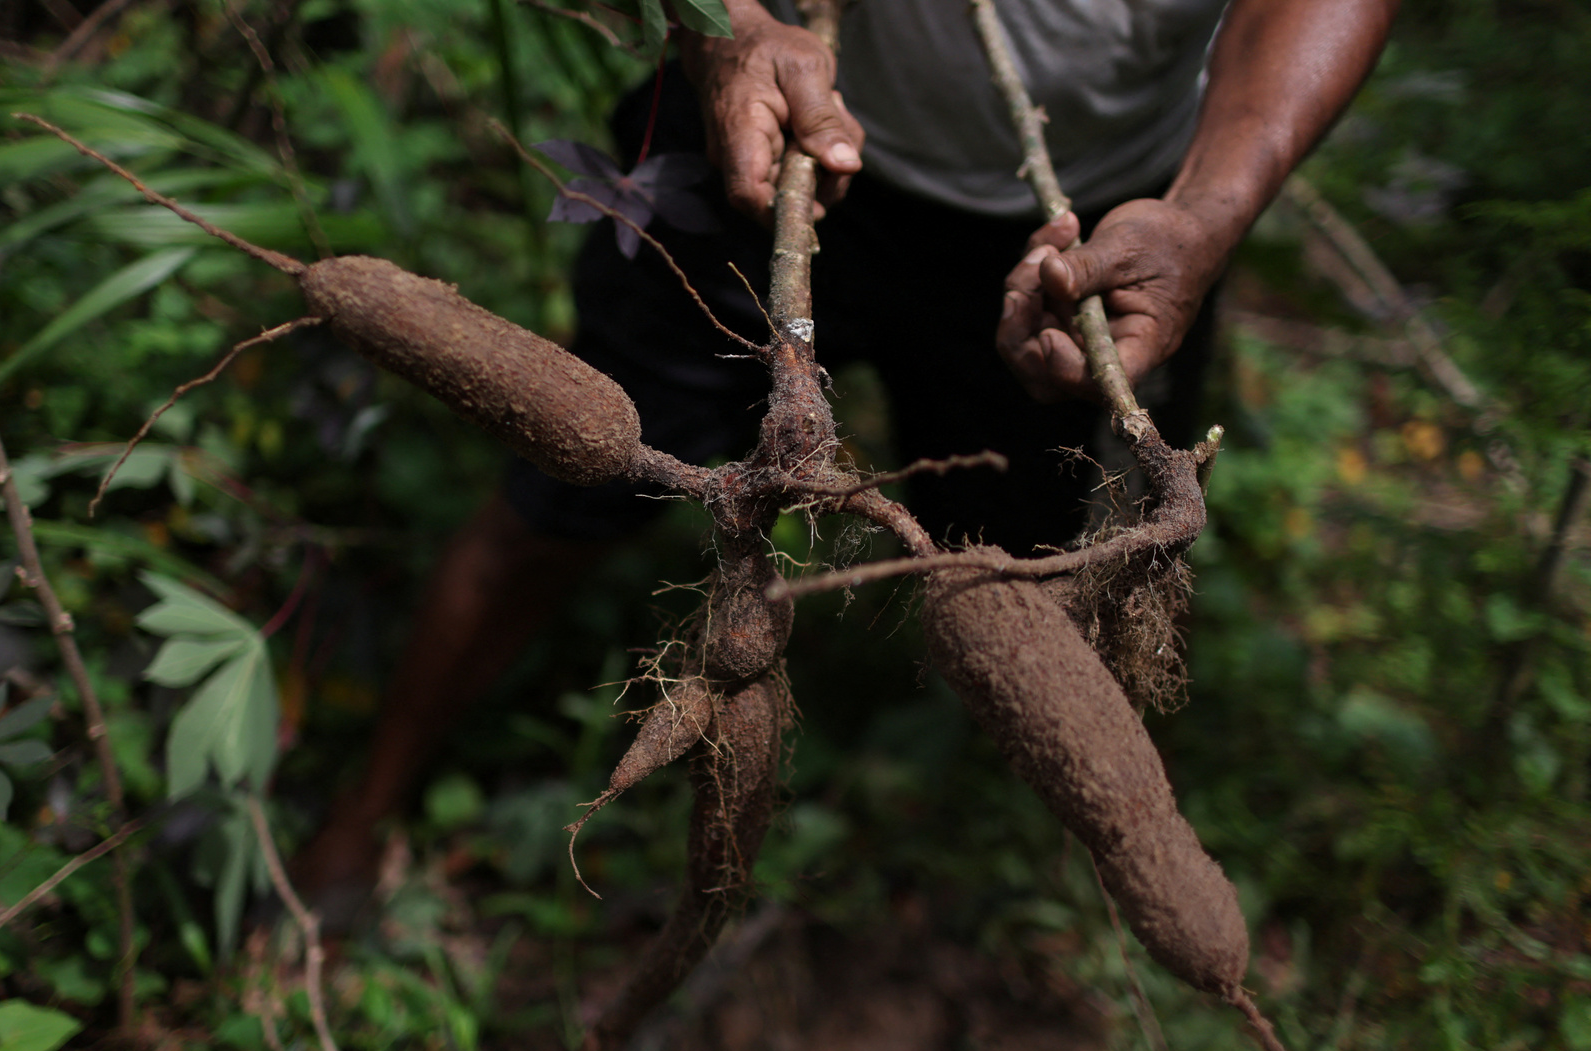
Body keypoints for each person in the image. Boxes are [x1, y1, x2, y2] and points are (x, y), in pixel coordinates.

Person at [290, 0, 1400, 911]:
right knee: (565, 490)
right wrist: (727, 23)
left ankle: (984, 844)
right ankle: (367, 805)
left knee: (1014, 561)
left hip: (1076, 224)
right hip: (769, 117)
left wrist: (1208, 211)